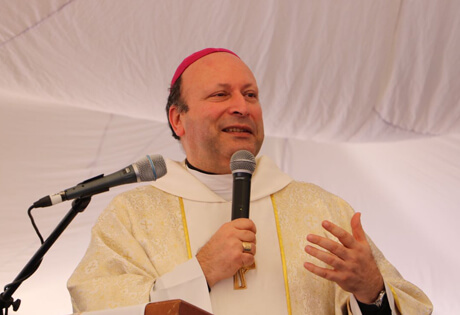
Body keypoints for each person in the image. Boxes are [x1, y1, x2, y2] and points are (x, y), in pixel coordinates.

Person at [67, 48, 433, 314]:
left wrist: (373, 293)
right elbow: (97, 308)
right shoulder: (132, 215)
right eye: (220, 94)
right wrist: (200, 272)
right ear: (178, 120)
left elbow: (404, 305)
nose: (242, 106)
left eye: (251, 95)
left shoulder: (320, 208)